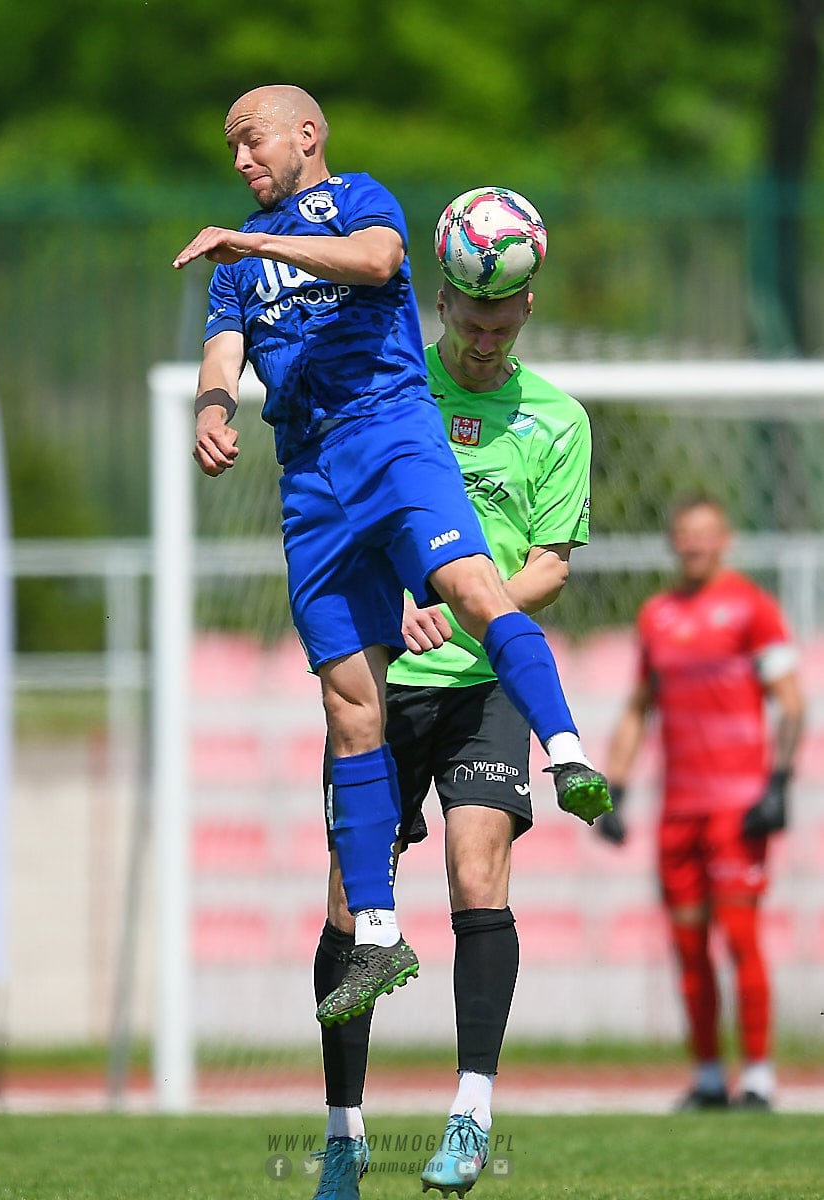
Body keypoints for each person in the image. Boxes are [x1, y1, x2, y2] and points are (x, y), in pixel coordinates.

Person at [173, 83, 610, 1032]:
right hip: (308, 473)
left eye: (252, 141)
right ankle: (376, 931)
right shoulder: (233, 268)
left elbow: (377, 261)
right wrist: (211, 409)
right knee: (347, 703)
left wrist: (256, 243)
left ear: (306, 134)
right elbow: (222, 353)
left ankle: (568, 750)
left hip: (388, 432)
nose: (240, 160)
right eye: (231, 149)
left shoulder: (356, 199)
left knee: (470, 585)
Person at [311, 272, 594, 1199]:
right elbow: (342, 533)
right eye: (473, 324)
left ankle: (471, 1112)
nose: (485, 342)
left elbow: (551, 564)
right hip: (382, 688)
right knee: (351, 908)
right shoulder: (391, 396)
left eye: (501, 327)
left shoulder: (559, 420)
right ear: (442, 304)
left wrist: (473, 604)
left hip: (484, 687)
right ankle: (344, 1136)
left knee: (478, 872)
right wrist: (394, 602)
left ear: (528, 310)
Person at [598, 496, 805, 1112]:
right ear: (673, 541)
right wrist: (617, 788)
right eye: (685, 534)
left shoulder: (752, 608)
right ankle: (710, 1075)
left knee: (739, 936)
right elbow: (639, 707)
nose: (694, 545)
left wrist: (778, 783)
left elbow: (792, 702)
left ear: (725, 540)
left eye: (705, 534)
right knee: (688, 944)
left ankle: (759, 1076)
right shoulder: (657, 616)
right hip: (678, 809)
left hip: (736, 806)